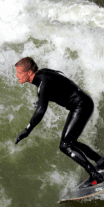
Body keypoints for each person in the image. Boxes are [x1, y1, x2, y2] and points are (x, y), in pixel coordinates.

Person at [14, 57, 104, 188]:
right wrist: (41, 101)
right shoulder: (43, 75)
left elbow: (40, 111)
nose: (17, 76)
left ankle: (95, 175)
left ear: (28, 73)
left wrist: (27, 130)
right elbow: (58, 85)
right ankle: (100, 161)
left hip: (81, 106)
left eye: (19, 72)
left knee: (65, 145)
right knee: (70, 141)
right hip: (81, 104)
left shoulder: (43, 83)